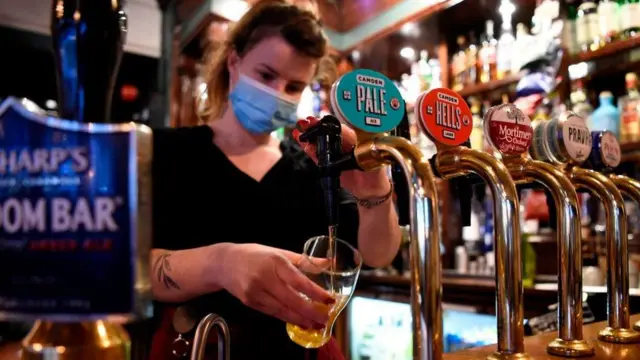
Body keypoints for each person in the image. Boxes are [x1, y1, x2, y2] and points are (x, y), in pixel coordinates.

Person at [148, 1, 401, 359]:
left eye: (295, 86)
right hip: (201, 346)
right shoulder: (168, 151)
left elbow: (378, 253)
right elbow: (130, 269)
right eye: (266, 76)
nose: (278, 93)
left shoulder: (313, 163)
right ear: (233, 62)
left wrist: (374, 189)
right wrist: (221, 263)